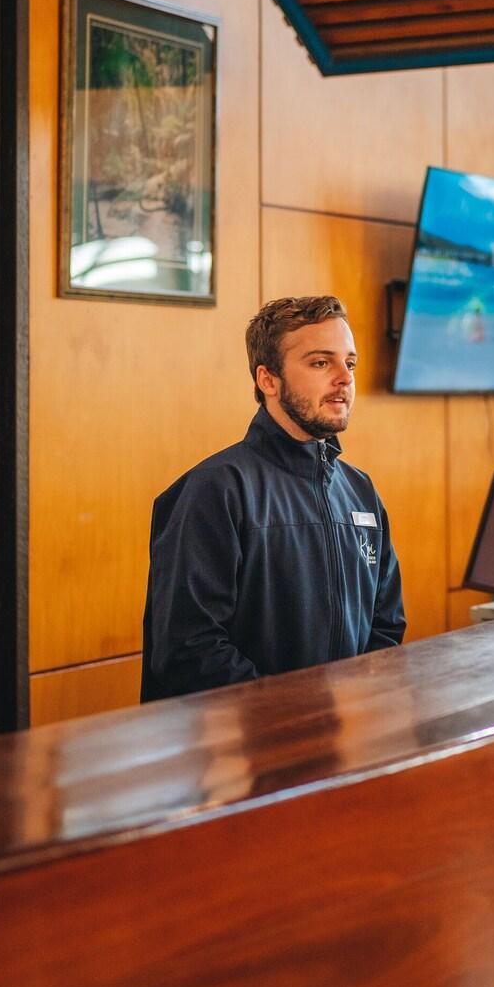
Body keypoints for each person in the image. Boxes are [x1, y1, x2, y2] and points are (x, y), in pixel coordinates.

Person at [140, 295, 406, 700]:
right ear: (269, 380)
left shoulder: (361, 491)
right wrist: (295, 716)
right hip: (246, 749)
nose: (344, 378)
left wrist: (355, 707)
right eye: (321, 363)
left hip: (349, 743)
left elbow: (386, 626)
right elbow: (189, 651)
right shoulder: (215, 490)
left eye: (349, 363)